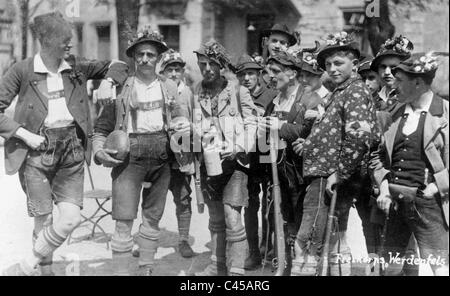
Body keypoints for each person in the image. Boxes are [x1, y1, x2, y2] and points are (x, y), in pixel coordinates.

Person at [0, 11, 127, 276]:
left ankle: (27, 265)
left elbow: (119, 65)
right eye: (64, 39)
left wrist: (110, 81)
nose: (70, 44)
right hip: (36, 152)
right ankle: (46, 272)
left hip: (72, 151)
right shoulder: (22, 70)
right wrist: (24, 134)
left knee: (70, 219)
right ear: (46, 40)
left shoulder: (76, 67)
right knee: (43, 220)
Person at [92, 26, 189, 276]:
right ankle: (122, 272)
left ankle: (146, 268)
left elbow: (180, 119)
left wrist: (183, 128)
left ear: (158, 59)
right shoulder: (122, 87)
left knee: (152, 218)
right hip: (129, 157)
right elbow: (101, 128)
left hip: (161, 155)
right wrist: (99, 150)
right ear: (133, 57)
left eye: (150, 55)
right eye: (140, 55)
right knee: (123, 219)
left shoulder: (169, 87)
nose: (145, 59)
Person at [293, 32, 378, 276]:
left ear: (354, 63)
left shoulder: (355, 92)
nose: (332, 68)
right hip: (323, 175)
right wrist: (309, 144)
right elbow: (333, 134)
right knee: (328, 237)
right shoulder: (340, 92)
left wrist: (338, 174)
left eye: (338, 63)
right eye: (328, 64)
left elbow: (359, 137)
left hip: (328, 178)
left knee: (309, 238)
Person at [371, 52, 449, 276]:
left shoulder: (444, 114)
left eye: (400, 80)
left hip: (429, 203)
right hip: (394, 202)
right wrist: (384, 187)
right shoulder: (393, 113)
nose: (395, 86)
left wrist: (434, 188)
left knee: (439, 265)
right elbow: (376, 157)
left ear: (418, 82)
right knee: (391, 266)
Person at [191, 40, 257, 276]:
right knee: (215, 217)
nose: (207, 69)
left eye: (211, 64)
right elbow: (188, 124)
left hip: (235, 163)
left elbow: (252, 125)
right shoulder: (196, 91)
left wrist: (238, 146)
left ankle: (236, 269)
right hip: (208, 163)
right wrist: (197, 134)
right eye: (202, 64)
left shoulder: (238, 91)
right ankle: (216, 265)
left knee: (232, 216)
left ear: (220, 65)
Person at [259, 50, 319, 274]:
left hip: (301, 170)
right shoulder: (273, 101)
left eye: (276, 71)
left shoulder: (309, 97)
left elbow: (312, 131)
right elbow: (266, 135)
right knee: (281, 216)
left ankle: (302, 265)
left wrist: (281, 128)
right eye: (269, 71)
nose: (270, 76)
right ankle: (283, 264)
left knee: (301, 218)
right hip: (277, 168)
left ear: (293, 73)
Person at [235, 54, 276, 270]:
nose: (247, 78)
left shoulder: (272, 95)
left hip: (267, 158)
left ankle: (267, 247)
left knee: (269, 206)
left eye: (251, 73)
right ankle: (253, 252)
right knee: (249, 206)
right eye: (242, 75)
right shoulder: (235, 95)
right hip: (246, 159)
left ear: (259, 75)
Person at [160, 49, 195, 258]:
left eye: (177, 69)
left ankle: (183, 239)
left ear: (182, 71)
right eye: (169, 70)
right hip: (159, 152)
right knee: (153, 198)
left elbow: (195, 120)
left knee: (183, 197)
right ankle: (147, 239)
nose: (173, 74)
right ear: (163, 72)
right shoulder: (158, 89)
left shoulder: (189, 93)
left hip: (181, 154)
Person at [370, 36, 414, 112]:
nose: (387, 72)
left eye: (393, 67)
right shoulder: (372, 97)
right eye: (383, 67)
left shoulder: (410, 98)